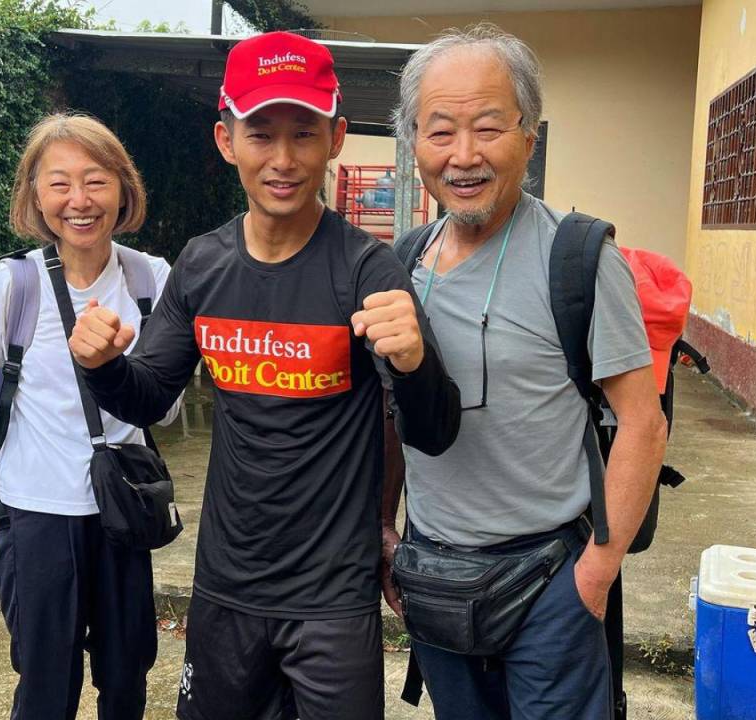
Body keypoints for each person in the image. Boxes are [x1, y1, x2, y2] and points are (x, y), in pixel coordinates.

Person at [68, 31, 461, 720]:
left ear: (336, 138)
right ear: (226, 140)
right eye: (261, 134)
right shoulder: (202, 264)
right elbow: (151, 392)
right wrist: (101, 368)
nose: (283, 160)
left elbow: (433, 431)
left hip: (333, 598)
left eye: (303, 134)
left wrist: (415, 362)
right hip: (227, 585)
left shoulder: (368, 271)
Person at [381, 24, 668, 720]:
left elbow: (642, 422)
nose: (464, 155)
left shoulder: (579, 259)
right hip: (436, 574)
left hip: (550, 580)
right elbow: (393, 412)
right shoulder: (401, 264)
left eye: (488, 127)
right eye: (440, 131)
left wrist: (594, 575)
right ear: (414, 143)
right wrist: (383, 533)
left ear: (529, 139)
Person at [0, 113, 179, 720]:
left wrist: (117, 369)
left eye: (95, 181)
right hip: (36, 514)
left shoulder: (152, 279)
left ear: (123, 187)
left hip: (122, 509)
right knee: (44, 682)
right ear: (35, 195)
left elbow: (164, 411)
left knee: (126, 677)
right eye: (59, 183)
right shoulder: (12, 284)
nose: (79, 201)